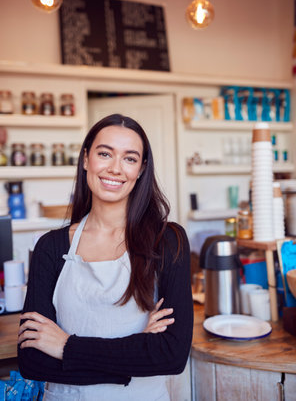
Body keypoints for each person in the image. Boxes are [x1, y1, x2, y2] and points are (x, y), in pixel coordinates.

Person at [18, 113, 193, 400]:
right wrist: (135, 356)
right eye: (104, 154)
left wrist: (66, 347)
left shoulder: (167, 241)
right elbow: (33, 362)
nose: (115, 168)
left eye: (129, 158)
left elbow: (172, 355)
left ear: (141, 169)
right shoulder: (50, 247)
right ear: (86, 159)